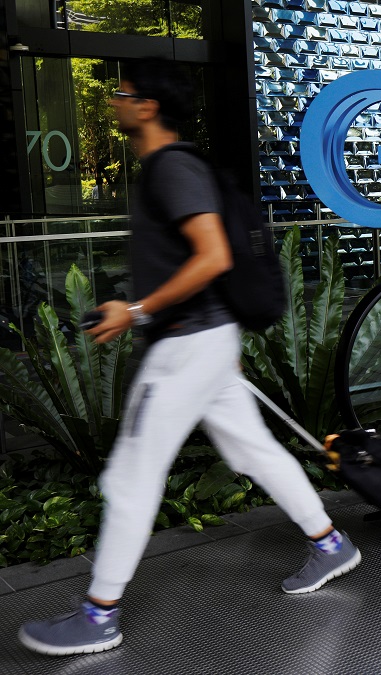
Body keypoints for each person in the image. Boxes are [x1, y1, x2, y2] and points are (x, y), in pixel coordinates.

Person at [18, 59, 360, 657]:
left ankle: (100, 616)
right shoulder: (169, 168)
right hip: (204, 341)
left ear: (147, 107)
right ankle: (330, 544)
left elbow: (211, 257)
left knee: (130, 477)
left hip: (182, 347)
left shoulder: (172, 169)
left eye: (122, 93)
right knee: (250, 448)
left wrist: (137, 310)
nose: (113, 102)